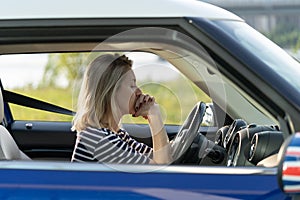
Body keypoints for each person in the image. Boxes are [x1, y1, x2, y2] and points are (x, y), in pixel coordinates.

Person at [71, 54, 172, 164]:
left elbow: (159, 155)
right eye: (132, 85)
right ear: (112, 92)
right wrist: (154, 114)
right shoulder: (99, 139)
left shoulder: (116, 134)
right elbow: (161, 170)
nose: (139, 92)